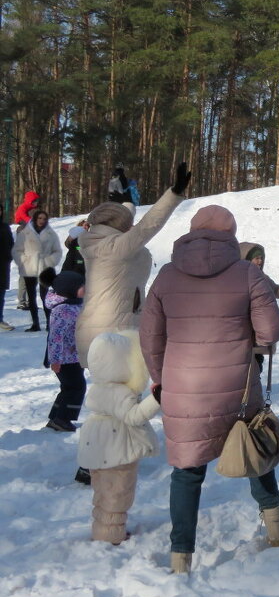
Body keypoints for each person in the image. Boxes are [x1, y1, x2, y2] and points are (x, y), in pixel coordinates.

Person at [140, 205, 279, 574]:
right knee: (255, 452)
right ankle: (277, 533)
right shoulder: (247, 274)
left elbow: (150, 335)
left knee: (187, 472)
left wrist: (160, 377)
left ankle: (181, 559)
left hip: (183, 387)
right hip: (237, 385)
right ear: (231, 234)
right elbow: (270, 331)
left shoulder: (167, 276)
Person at [76, 163, 190, 365]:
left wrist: (124, 200)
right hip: (113, 332)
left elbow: (123, 221)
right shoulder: (116, 248)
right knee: (121, 393)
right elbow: (147, 226)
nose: (132, 225)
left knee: (113, 392)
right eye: (128, 223)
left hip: (101, 328)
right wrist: (173, 194)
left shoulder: (98, 242)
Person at [78, 331, 161, 544]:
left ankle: (102, 530)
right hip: (118, 451)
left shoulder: (98, 388)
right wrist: (156, 399)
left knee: (103, 493)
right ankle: (111, 535)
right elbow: (134, 416)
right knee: (118, 493)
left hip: (99, 448)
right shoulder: (119, 392)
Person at [44, 271, 87, 433]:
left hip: (75, 356)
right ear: (69, 289)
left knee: (68, 387)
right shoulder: (61, 310)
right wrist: (55, 360)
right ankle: (63, 419)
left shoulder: (76, 303)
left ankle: (56, 417)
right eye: (81, 286)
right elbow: (55, 338)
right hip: (64, 359)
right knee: (77, 387)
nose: (85, 288)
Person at [13, 209, 63, 332]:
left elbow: (57, 251)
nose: (42, 221)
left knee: (45, 296)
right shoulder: (25, 233)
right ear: (35, 219)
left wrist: (49, 261)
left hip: (45, 268)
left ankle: (49, 324)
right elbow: (17, 250)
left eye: (44, 219)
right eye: (39, 218)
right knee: (31, 296)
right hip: (29, 267)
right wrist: (24, 261)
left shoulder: (51, 234)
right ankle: (35, 324)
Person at [12, 191, 38, 310]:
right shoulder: (23, 210)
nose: (36, 203)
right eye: (34, 201)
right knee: (24, 278)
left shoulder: (31, 210)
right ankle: (22, 301)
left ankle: (29, 301)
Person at [0, 203, 13, 331]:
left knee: (1, 294)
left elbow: (10, 243)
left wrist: (10, 256)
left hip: (3, 265)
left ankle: (0, 319)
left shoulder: (5, 227)